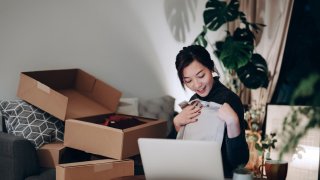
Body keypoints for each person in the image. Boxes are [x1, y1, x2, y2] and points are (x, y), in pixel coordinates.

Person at [173, 45, 249, 178]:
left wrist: (233, 123)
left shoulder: (230, 100)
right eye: (188, 81)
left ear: (211, 68)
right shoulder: (193, 100)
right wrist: (177, 123)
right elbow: (185, 152)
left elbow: (239, 163)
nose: (197, 85)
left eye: (201, 75)